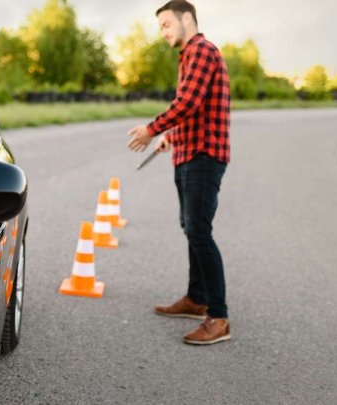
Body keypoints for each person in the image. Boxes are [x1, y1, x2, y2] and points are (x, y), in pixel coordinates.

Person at [127, 0, 231, 345]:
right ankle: (196, 298)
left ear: (188, 18)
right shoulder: (188, 56)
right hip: (188, 152)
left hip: (203, 157)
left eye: (167, 24)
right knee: (191, 228)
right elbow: (195, 111)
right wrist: (170, 136)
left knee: (199, 231)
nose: (164, 32)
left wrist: (152, 129)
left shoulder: (201, 50)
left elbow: (187, 104)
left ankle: (218, 317)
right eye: (161, 27)